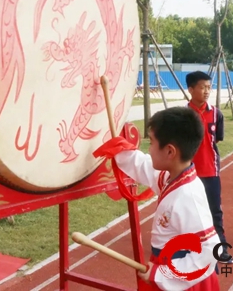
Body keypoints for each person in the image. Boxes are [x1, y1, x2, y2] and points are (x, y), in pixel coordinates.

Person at [93, 107, 220, 290]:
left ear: (170, 152)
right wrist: (119, 150)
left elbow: (208, 250)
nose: (149, 149)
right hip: (165, 267)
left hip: (184, 281)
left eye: (151, 142)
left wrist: (162, 274)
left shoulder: (188, 196)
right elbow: (145, 167)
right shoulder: (172, 176)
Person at [185, 71, 232, 263]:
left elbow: (217, 140)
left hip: (211, 172)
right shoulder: (183, 116)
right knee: (188, 211)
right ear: (191, 89)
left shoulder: (216, 113)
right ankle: (188, 247)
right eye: (202, 87)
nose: (206, 91)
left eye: (208, 87)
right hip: (188, 173)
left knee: (214, 211)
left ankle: (220, 247)